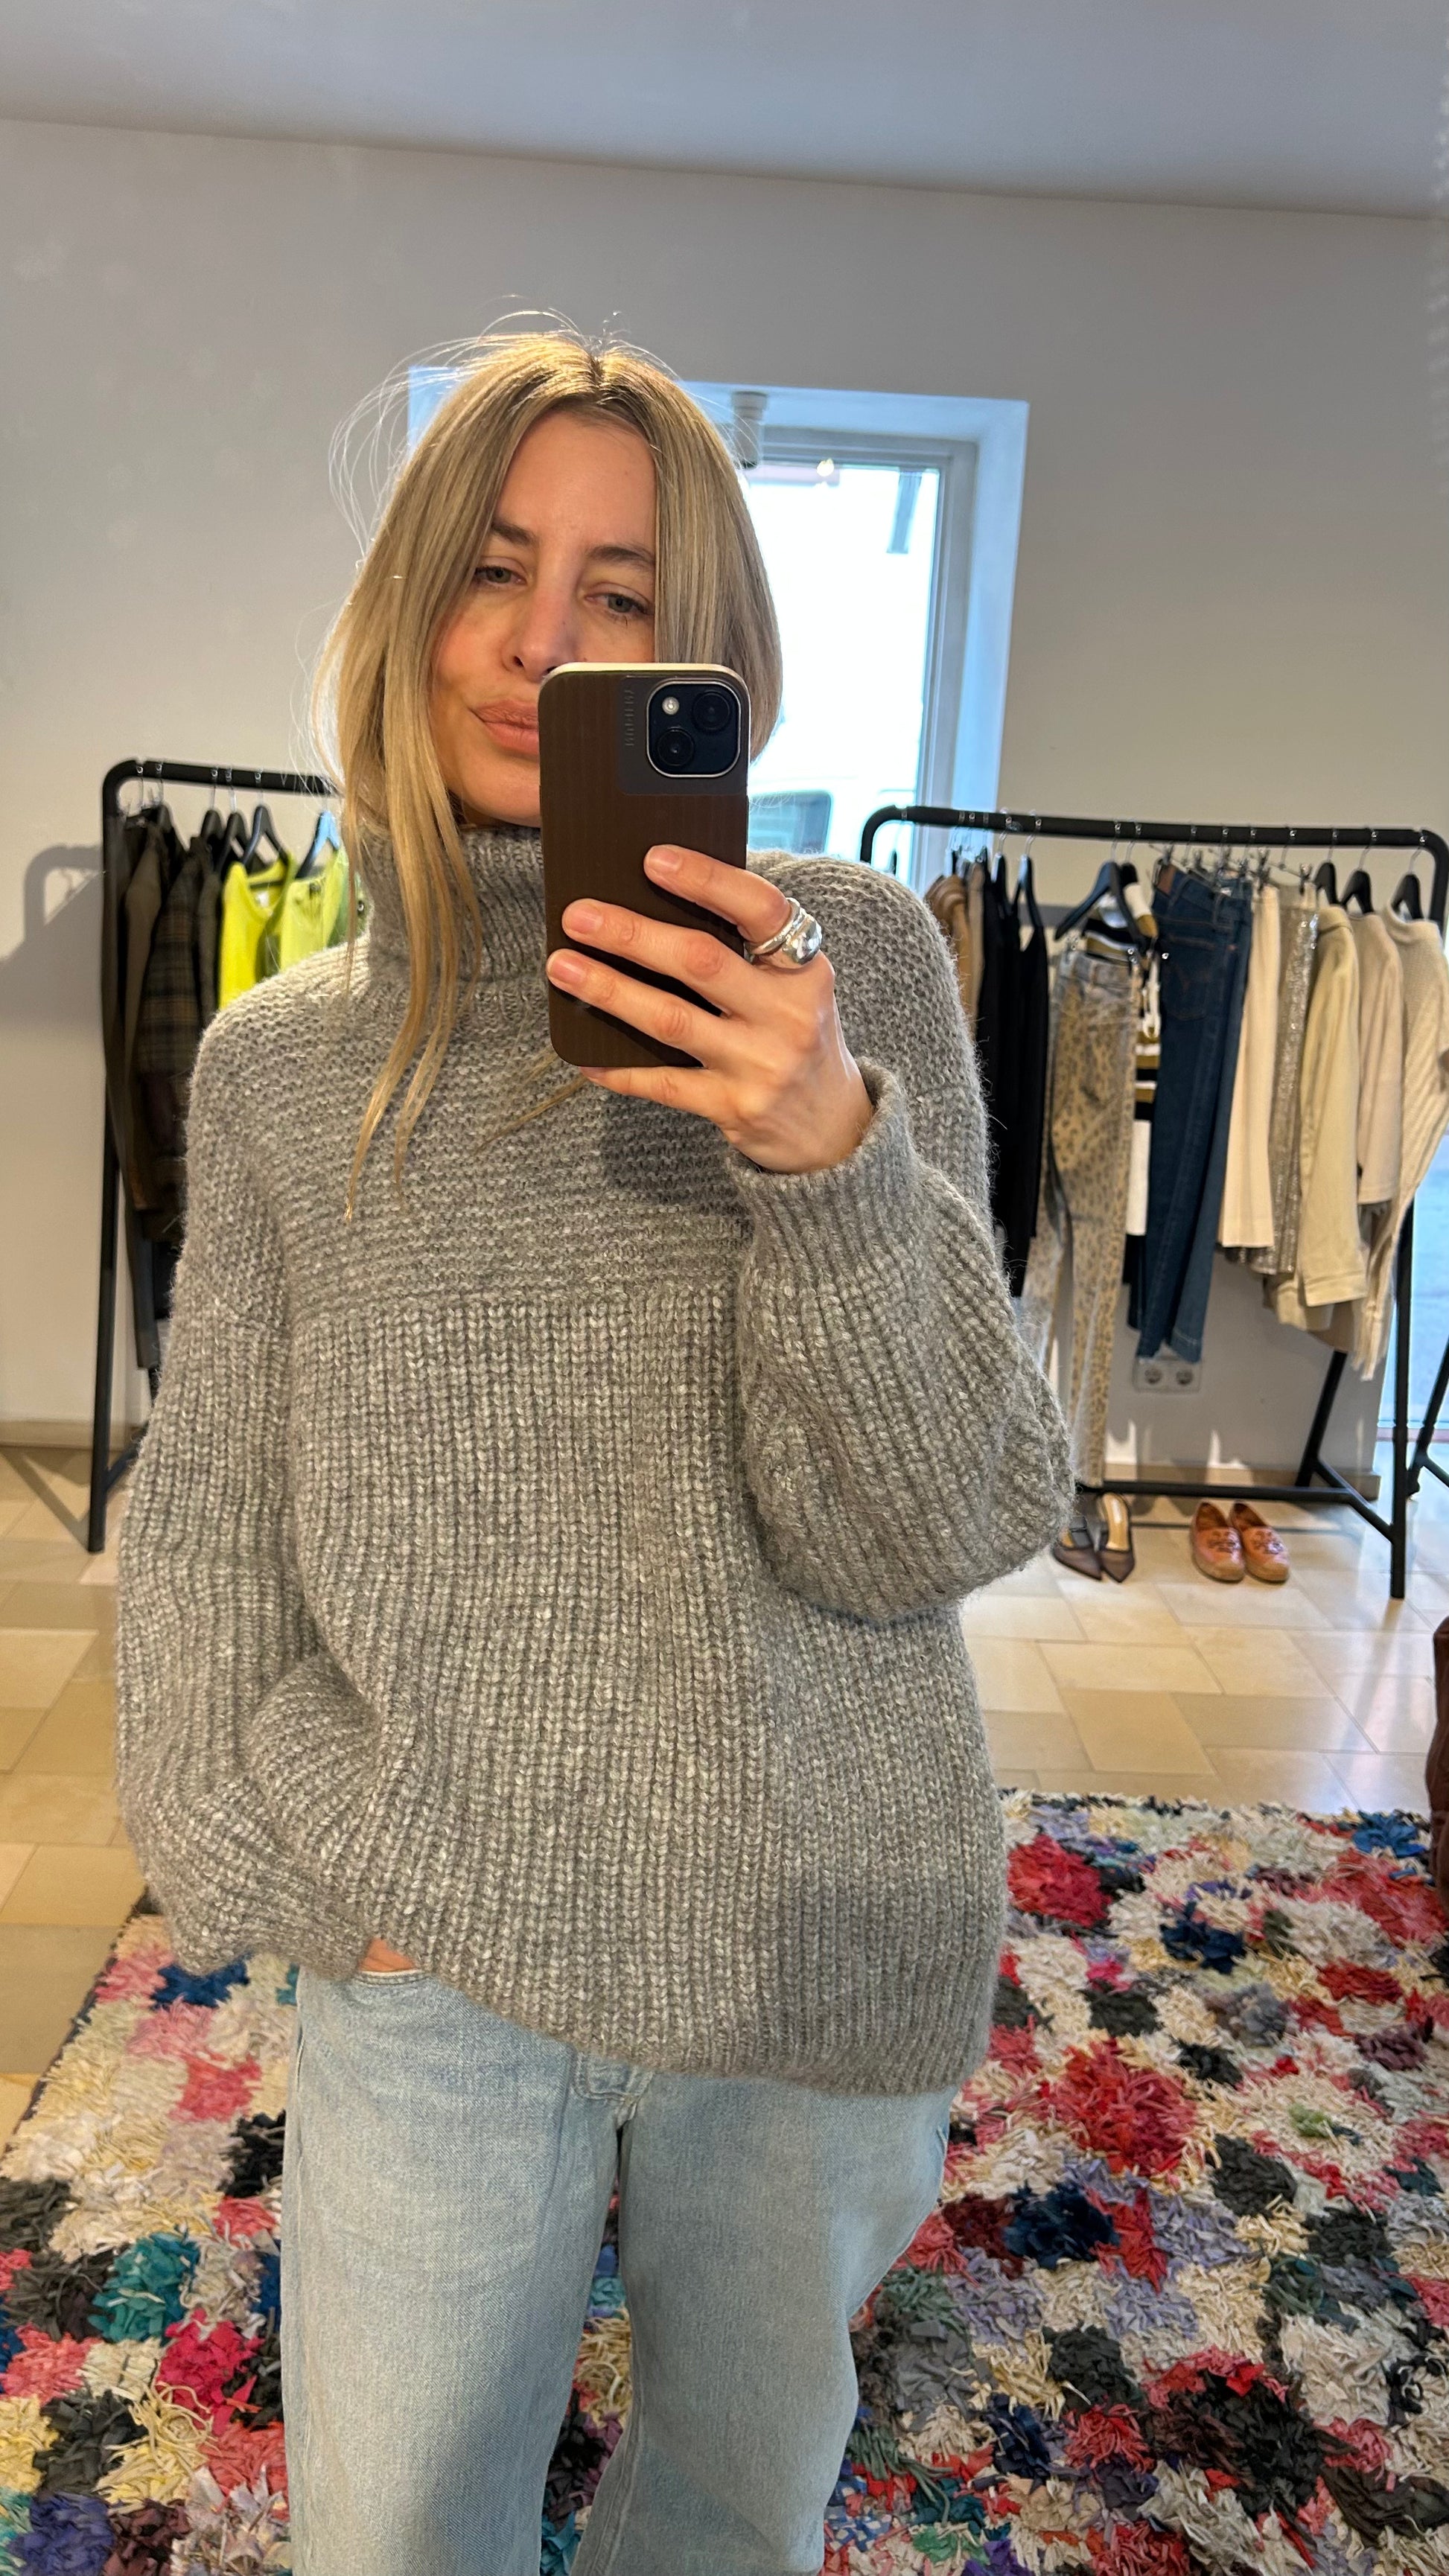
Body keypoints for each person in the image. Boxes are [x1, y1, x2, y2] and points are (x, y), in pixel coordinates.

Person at [114, 327, 1071, 2576]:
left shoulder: (847, 978)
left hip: (806, 1930)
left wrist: (823, 1156)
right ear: (408, 601)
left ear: (706, 661)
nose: (542, 640)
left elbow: (935, 1521)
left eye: (620, 597)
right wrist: (283, 1880)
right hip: (435, 1950)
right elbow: (209, 1518)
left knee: (732, 2511)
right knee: (394, 2528)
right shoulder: (280, 1068)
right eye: (493, 568)